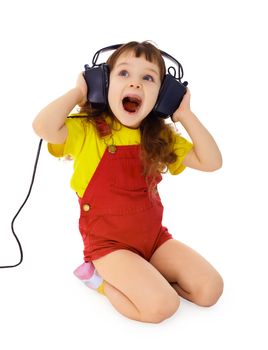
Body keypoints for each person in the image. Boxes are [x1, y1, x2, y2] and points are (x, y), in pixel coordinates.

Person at [32, 41, 224, 324]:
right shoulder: (87, 130)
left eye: (147, 78)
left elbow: (211, 162)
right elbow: (43, 127)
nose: (135, 84)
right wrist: (79, 92)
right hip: (110, 246)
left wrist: (184, 114)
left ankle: (144, 277)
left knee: (210, 291)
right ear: (102, 84)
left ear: (163, 97)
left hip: (154, 239)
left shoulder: (160, 137)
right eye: (123, 74)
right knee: (162, 307)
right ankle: (100, 281)